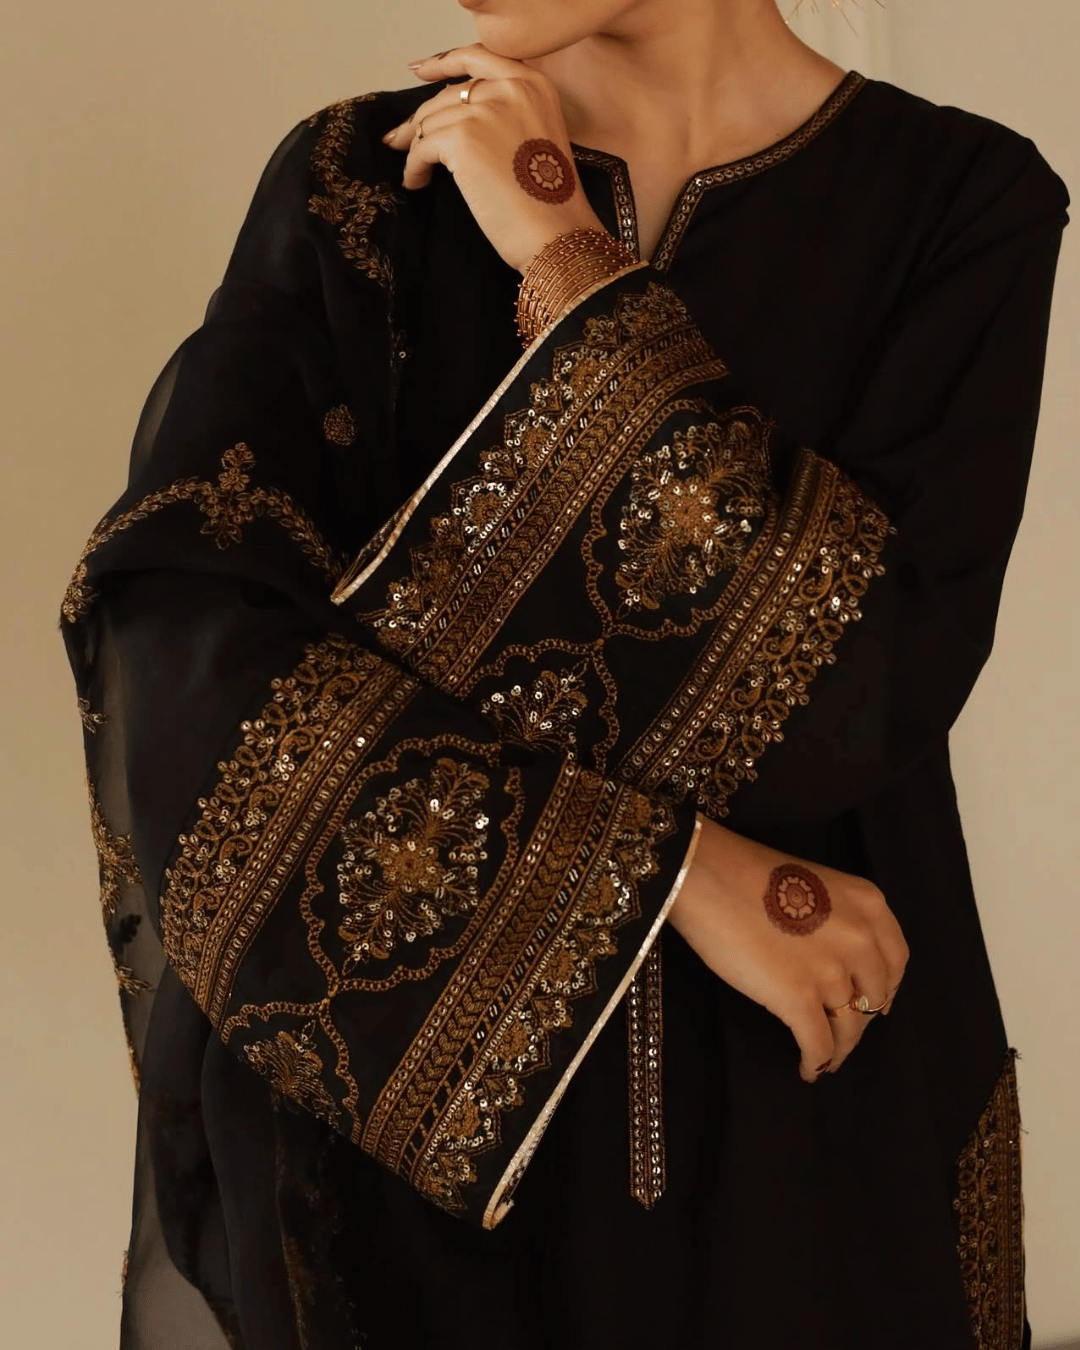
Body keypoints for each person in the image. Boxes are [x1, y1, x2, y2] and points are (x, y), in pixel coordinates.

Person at [60, 1, 1070, 1346]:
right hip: (410, 1184)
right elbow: (189, 659)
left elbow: (867, 673)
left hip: (809, 1118)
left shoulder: (961, 202)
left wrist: (564, 255)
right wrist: (666, 877)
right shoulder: (362, 184)